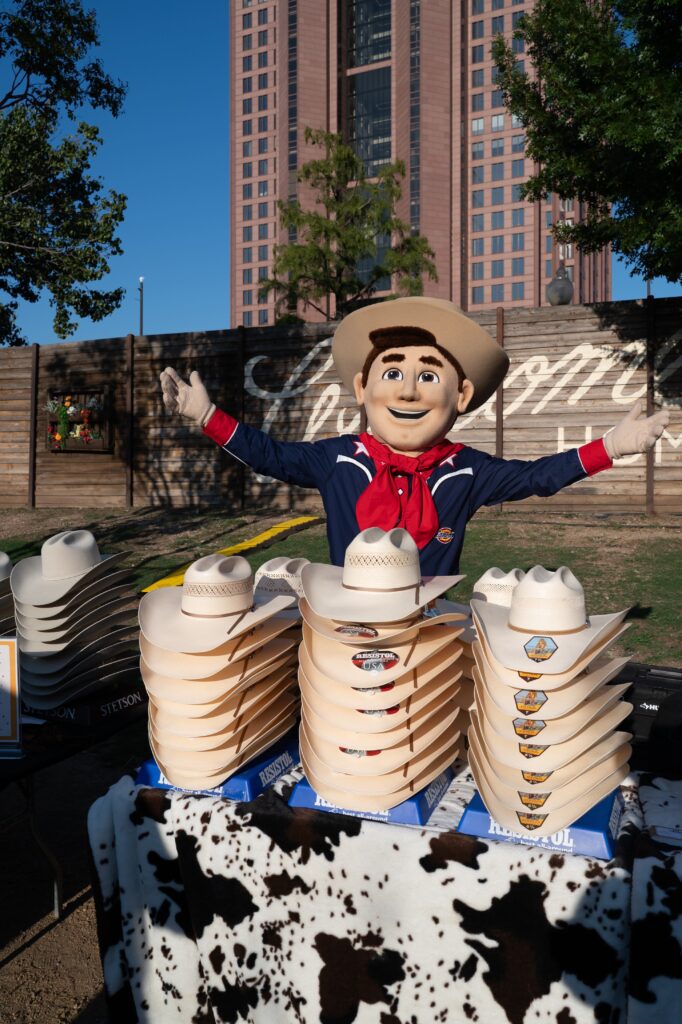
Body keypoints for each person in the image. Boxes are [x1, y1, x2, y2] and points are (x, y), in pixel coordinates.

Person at [160, 298, 668, 574]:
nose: (407, 391)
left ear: (461, 394)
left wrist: (611, 447)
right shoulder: (339, 459)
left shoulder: (467, 470)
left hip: (431, 628)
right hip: (348, 621)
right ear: (363, 388)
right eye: (392, 373)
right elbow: (269, 455)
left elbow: (537, 476)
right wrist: (208, 416)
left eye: (427, 375)